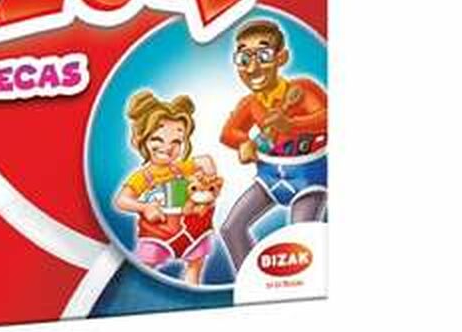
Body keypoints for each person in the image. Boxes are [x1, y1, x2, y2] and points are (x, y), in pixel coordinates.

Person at [219, 19, 327, 271]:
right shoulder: (251, 103)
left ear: (281, 58)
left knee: (300, 238)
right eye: (244, 58)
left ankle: (301, 286)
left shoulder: (302, 89)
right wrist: (244, 142)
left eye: (263, 56)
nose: (253, 67)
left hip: (308, 178)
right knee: (231, 228)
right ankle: (249, 278)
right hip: (269, 179)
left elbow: (327, 118)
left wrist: (292, 124)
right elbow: (228, 133)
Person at [114, 91, 220, 286]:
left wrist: (208, 173)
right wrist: (145, 207)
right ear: (140, 140)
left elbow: (204, 161)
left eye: (176, 142)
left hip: (192, 234)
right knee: (145, 271)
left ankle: (192, 293)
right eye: (157, 140)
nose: (168, 148)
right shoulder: (143, 176)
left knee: (195, 265)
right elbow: (121, 200)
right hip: (158, 235)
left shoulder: (180, 167)